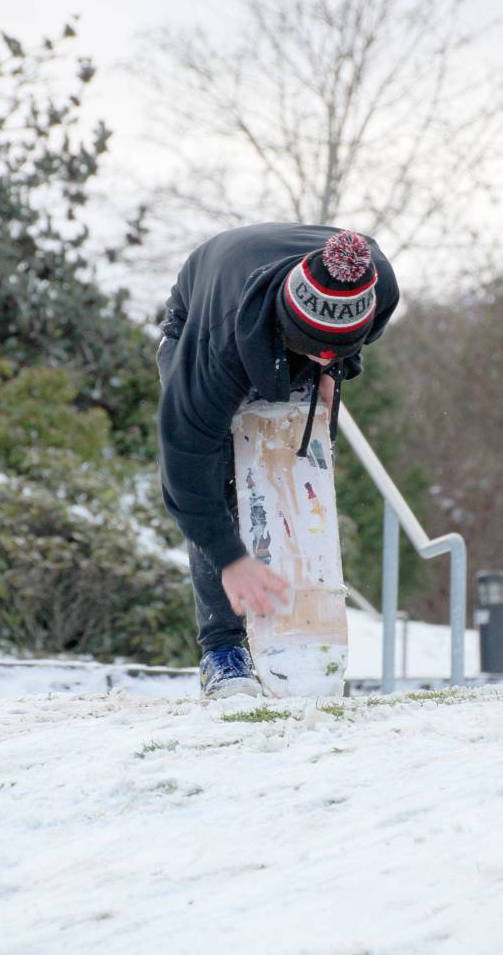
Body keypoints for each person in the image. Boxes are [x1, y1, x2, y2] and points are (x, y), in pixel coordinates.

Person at [156, 222, 399, 698]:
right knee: (221, 477)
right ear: (286, 325)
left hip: (290, 314)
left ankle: (301, 635)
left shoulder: (380, 282)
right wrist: (230, 558)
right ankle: (223, 653)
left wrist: (335, 365)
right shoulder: (216, 348)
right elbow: (185, 469)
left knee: (301, 460)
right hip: (200, 314)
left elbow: (348, 343)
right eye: (311, 346)